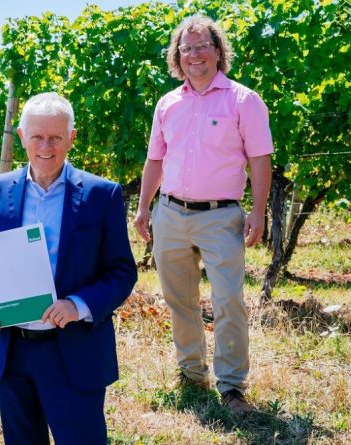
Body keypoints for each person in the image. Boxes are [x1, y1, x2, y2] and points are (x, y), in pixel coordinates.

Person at [0, 93, 137, 445]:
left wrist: (78, 305)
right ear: (22, 136)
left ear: (71, 138)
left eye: (55, 137)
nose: (46, 146)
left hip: (73, 350)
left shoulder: (102, 195)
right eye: (37, 136)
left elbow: (121, 271)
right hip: (12, 352)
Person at [134, 15, 273, 413]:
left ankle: (232, 386)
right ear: (178, 56)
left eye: (202, 46)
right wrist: (144, 206)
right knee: (180, 299)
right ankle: (193, 374)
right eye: (186, 48)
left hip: (220, 216)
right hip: (171, 213)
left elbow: (260, 161)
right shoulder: (168, 103)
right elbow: (155, 159)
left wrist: (259, 212)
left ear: (217, 52)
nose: (194, 54)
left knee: (229, 299)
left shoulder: (243, 100)